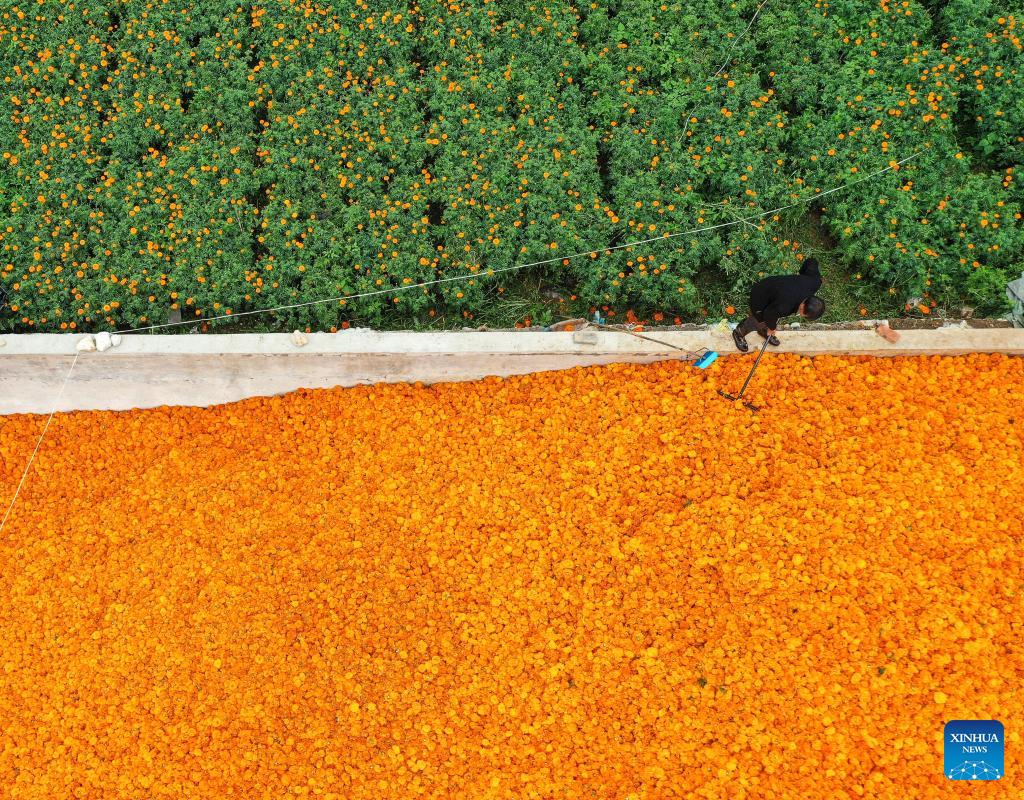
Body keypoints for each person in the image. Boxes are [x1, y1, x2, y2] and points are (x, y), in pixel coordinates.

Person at [732, 257, 825, 352]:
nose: (801, 315)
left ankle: (764, 330)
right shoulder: (785, 306)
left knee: (770, 318)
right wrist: (772, 328)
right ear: (802, 306)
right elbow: (769, 313)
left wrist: (800, 275)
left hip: (775, 288)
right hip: (760, 294)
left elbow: (812, 261)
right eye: (803, 314)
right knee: (758, 319)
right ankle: (739, 332)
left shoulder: (815, 282)